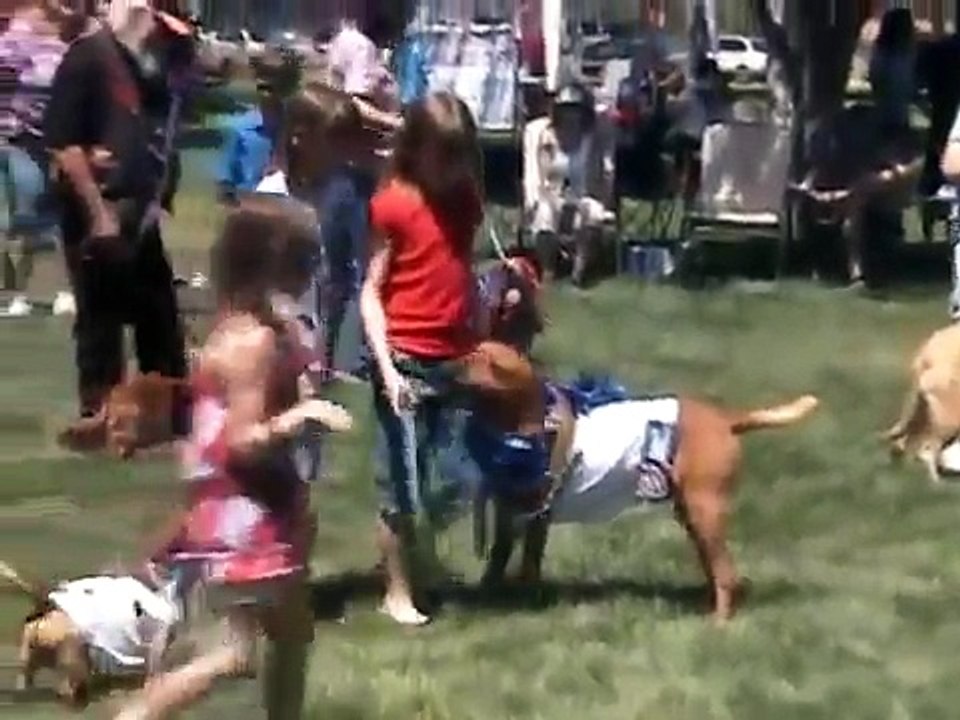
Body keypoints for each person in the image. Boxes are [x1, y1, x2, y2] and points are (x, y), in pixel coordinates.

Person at [116, 196, 353, 720]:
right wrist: (301, 416)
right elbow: (241, 441)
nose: (312, 272)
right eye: (304, 260)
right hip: (247, 517)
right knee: (237, 653)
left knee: (292, 632)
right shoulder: (253, 343)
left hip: (242, 507)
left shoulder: (243, 328)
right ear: (270, 265)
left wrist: (301, 378)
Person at [361, 91, 485, 626]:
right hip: (405, 361)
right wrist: (386, 369)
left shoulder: (466, 202)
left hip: (456, 360)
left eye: (460, 156)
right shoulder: (395, 204)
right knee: (399, 485)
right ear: (416, 149)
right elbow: (371, 291)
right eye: (443, 156)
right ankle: (397, 589)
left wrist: (484, 320)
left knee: (459, 478)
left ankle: (416, 556)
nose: (452, 169)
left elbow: (461, 270)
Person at [43, 0, 192, 424]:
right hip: (99, 211)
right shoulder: (87, 58)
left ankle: (165, 414)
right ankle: (99, 414)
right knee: (100, 321)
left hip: (140, 213)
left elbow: (154, 128)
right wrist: (99, 215)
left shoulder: (145, 68)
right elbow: (65, 146)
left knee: (159, 319)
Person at [0, 0, 70, 305]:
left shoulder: (54, 49)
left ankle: (46, 291)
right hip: (13, 139)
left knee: (34, 216)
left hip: (33, 143)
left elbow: (46, 83)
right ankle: (18, 291)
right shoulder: (17, 39)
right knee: (15, 219)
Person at [527, 82, 609, 287]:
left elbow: (604, 176)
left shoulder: (594, 138)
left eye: (575, 110)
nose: (571, 115)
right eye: (566, 110)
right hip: (550, 194)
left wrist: (594, 199)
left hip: (584, 195)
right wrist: (540, 198)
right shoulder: (541, 134)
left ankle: (580, 269)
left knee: (592, 213)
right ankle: (549, 268)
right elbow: (534, 177)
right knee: (545, 213)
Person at [214, 53, 289, 202]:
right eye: (263, 88)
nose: (268, 94)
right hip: (250, 203)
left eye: (273, 88)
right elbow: (225, 181)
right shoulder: (242, 129)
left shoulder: (296, 127)